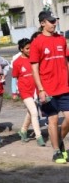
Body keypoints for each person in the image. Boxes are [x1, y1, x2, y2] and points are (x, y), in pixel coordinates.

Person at [30, 11, 69, 163]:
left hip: (64, 87)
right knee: (53, 121)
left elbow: (66, 61)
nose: (54, 23)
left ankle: (58, 140)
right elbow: (34, 68)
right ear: (42, 23)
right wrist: (40, 89)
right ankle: (56, 152)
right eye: (51, 21)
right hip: (47, 89)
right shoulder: (37, 42)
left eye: (55, 21)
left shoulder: (61, 39)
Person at [12, 38, 45, 146]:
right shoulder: (17, 62)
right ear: (21, 49)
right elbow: (14, 78)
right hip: (24, 91)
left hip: (35, 91)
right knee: (35, 112)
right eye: (27, 48)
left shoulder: (34, 59)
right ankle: (38, 136)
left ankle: (23, 131)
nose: (29, 50)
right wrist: (14, 93)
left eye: (30, 48)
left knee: (30, 113)